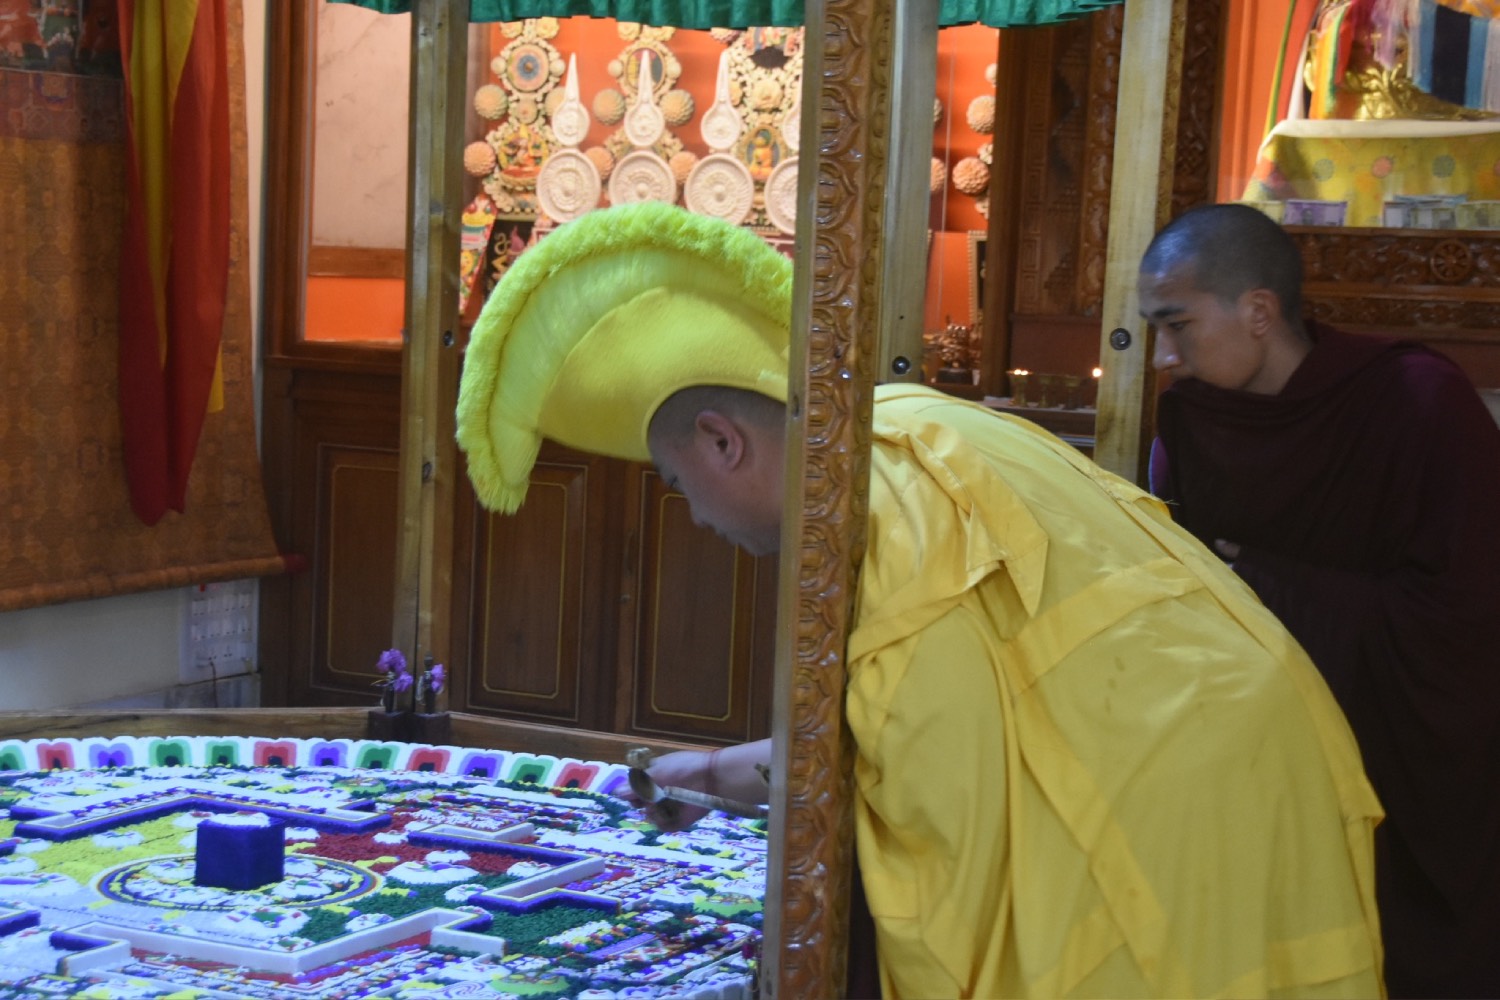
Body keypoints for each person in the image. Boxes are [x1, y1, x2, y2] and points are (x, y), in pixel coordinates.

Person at [457, 201, 1384, 999]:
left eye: (677, 482)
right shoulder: (902, 422)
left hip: (1183, 789)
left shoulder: (877, 508)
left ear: (722, 440)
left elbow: (933, 803)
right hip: (1244, 737)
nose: (694, 517)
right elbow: (890, 731)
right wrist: (713, 772)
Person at [1141, 202, 1500, 999]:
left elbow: (1471, 614)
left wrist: (1279, 587)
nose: (1163, 357)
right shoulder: (1191, 421)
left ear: (1258, 312)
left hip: (1408, 749)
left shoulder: (1417, 400)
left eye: (1178, 326)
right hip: (1257, 752)